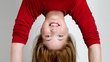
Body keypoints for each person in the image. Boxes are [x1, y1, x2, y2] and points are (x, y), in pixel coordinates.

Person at [11, 0, 101, 62]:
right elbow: (93, 41)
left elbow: (17, 42)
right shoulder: (76, 3)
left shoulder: (32, 3)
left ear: (41, 31)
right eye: (60, 36)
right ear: (67, 31)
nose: (54, 30)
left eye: (48, 36)